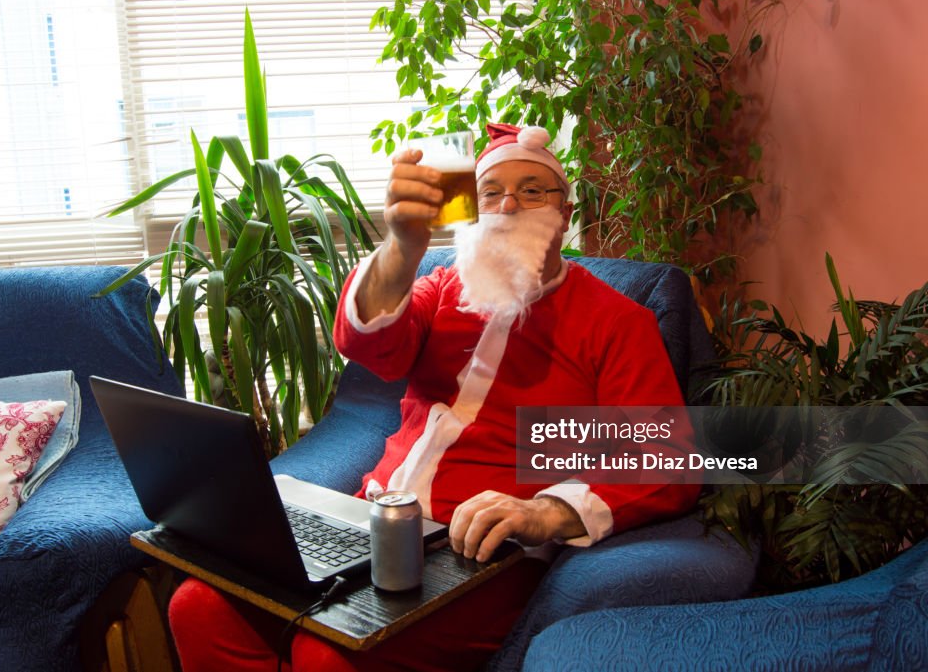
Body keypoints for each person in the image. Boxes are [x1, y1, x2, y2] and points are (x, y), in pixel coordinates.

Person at [167, 123, 700, 672]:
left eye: (533, 190)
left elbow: (669, 458)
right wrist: (402, 247)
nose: (509, 203)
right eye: (490, 191)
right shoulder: (441, 286)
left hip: (484, 559)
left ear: (564, 215)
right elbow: (370, 343)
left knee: (325, 655)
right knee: (198, 605)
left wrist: (546, 511)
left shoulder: (618, 322)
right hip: (372, 521)